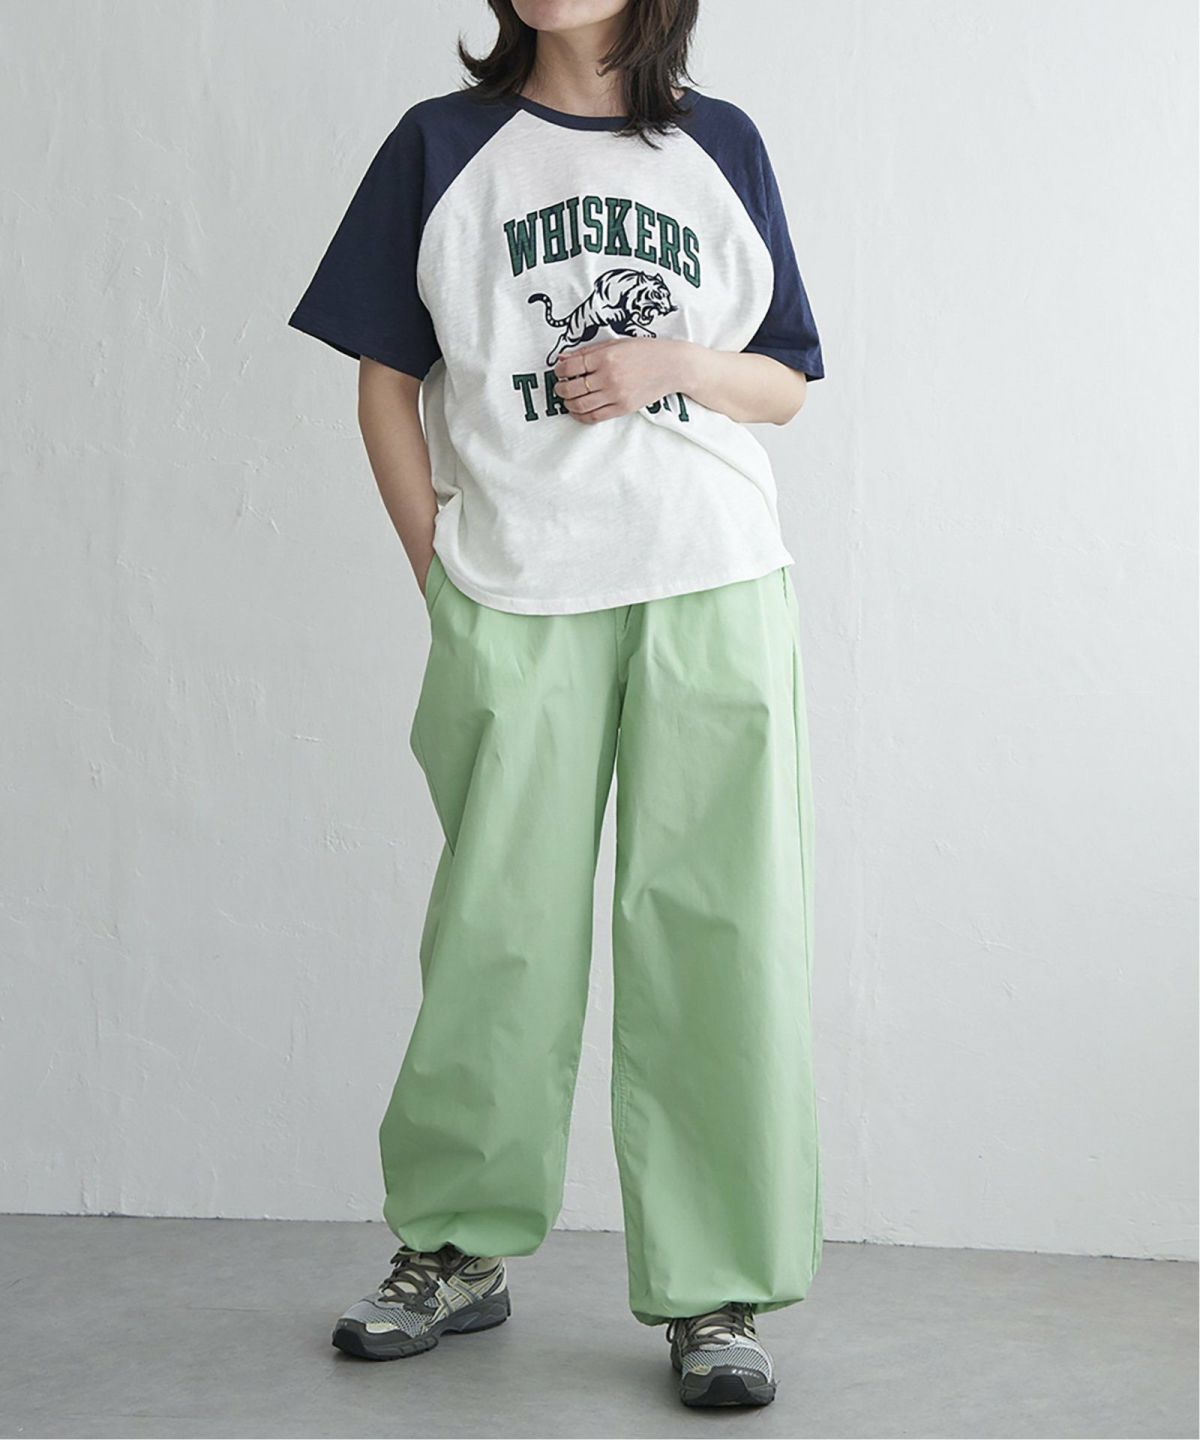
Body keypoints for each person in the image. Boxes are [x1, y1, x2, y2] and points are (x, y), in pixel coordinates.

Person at [288, 0, 823, 1410]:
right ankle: (456, 1245)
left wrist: (672, 365)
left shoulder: (721, 146)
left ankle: (717, 1289)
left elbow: (785, 382)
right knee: (498, 931)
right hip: (515, 592)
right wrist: (438, 572)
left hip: (713, 580)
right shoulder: (442, 146)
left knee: (718, 931)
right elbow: (384, 385)